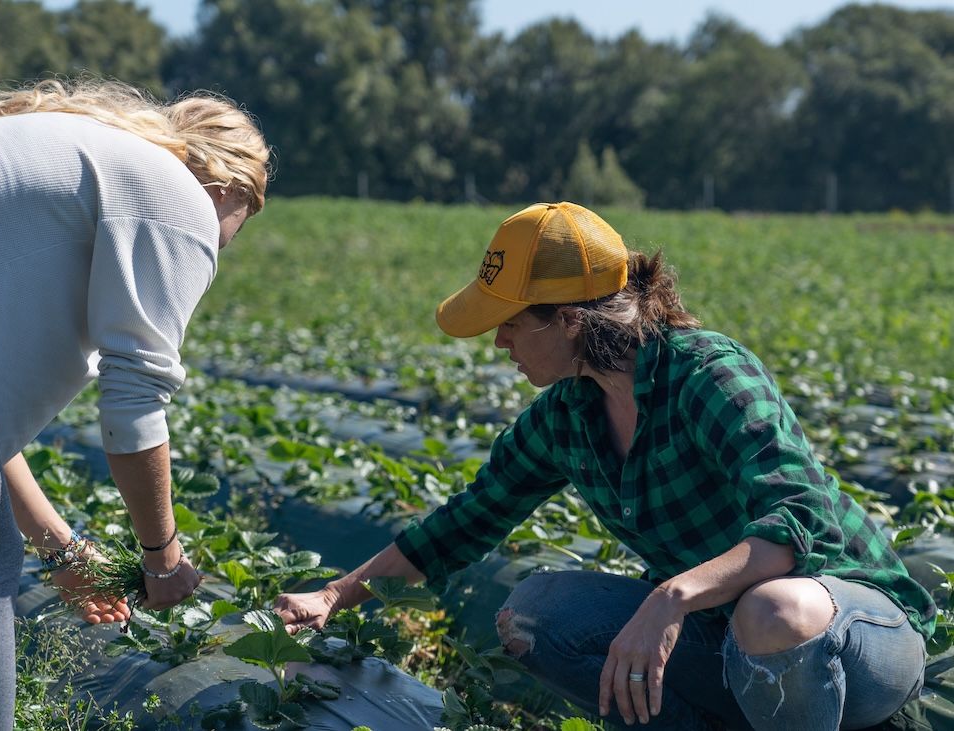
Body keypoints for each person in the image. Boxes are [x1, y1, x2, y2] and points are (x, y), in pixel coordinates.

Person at [275, 202, 935, 729]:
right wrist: (333, 594)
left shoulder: (705, 371)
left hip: (849, 628)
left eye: (509, 323)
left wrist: (669, 595)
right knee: (534, 614)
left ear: (566, 320)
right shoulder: (568, 415)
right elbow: (462, 524)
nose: (498, 341)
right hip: (727, 637)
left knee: (773, 610)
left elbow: (795, 523)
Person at [0, 78, 269, 729]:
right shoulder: (177, 196)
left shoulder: (85, 171)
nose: (230, 240)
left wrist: (64, 551)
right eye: (249, 212)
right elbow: (133, 401)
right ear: (229, 185)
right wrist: (163, 557)